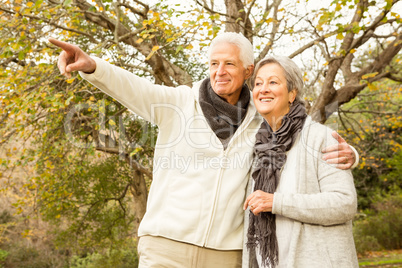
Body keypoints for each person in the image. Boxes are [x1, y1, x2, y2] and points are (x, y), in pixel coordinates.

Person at [49, 33, 358, 268]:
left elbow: (297, 144)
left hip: (226, 255)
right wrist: (93, 67)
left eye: (229, 64)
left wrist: (349, 154)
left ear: (247, 70)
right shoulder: (179, 104)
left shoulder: (259, 122)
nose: (219, 71)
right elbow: (134, 88)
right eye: (213, 63)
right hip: (165, 247)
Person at [243, 55, 358, 268]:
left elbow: (344, 203)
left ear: (292, 94)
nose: (263, 89)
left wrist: (276, 202)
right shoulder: (257, 145)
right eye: (258, 83)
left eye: (273, 82)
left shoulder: (319, 137)